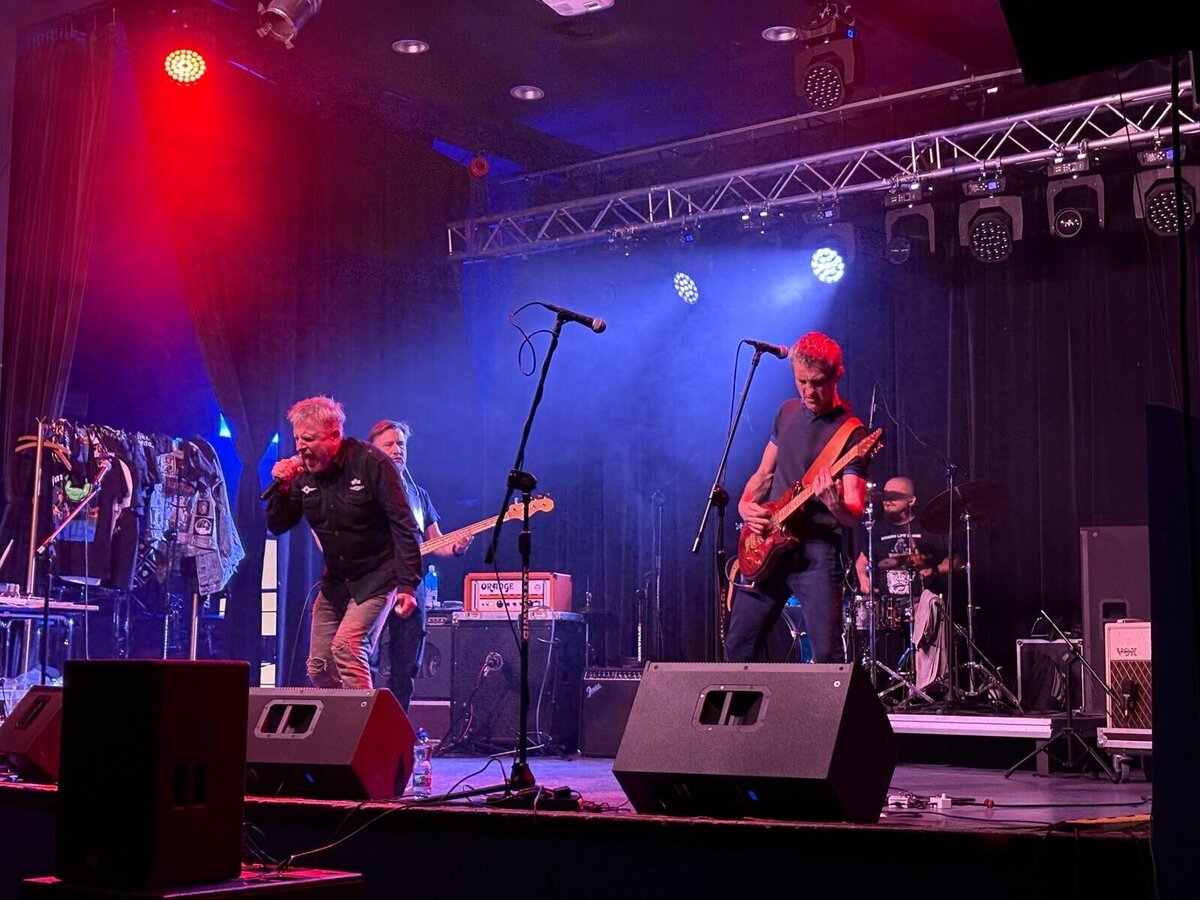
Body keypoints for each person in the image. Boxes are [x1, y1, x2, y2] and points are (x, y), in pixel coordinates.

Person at [726, 331, 868, 664]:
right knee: (739, 644)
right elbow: (763, 475)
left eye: (817, 383)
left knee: (826, 655)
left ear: (836, 377)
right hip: (768, 544)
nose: (808, 391)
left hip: (817, 551)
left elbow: (854, 511)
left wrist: (835, 504)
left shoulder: (852, 433)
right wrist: (745, 505)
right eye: (801, 381)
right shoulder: (787, 412)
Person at [266, 397, 422, 689]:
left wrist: (408, 585)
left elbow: (404, 524)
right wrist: (282, 490)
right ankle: (346, 713)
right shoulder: (304, 473)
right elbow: (278, 524)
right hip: (337, 581)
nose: (300, 447)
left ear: (334, 435)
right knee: (319, 668)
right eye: (297, 439)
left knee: (347, 648)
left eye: (308, 439)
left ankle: (363, 719)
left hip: (377, 575)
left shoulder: (371, 463)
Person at [368, 419, 472, 712]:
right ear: (373, 451)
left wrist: (457, 546)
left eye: (401, 444)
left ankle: (396, 725)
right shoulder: (364, 490)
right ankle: (362, 724)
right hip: (372, 584)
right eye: (389, 444)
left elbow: (436, 542)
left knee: (407, 663)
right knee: (367, 658)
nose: (397, 449)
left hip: (411, 585)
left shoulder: (418, 495)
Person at [853, 475, 952, 690]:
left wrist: (935, 570)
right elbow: (861, 562)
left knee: (927, 610)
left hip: (919, 601)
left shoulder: (927, 528)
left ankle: (926, 685)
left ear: (911, 501)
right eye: (885, 496)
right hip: (885, 604)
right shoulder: (875, 530)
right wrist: (863, 578)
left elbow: (953, 562)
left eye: (894, 496)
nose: (887, 500)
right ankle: (873, 685)